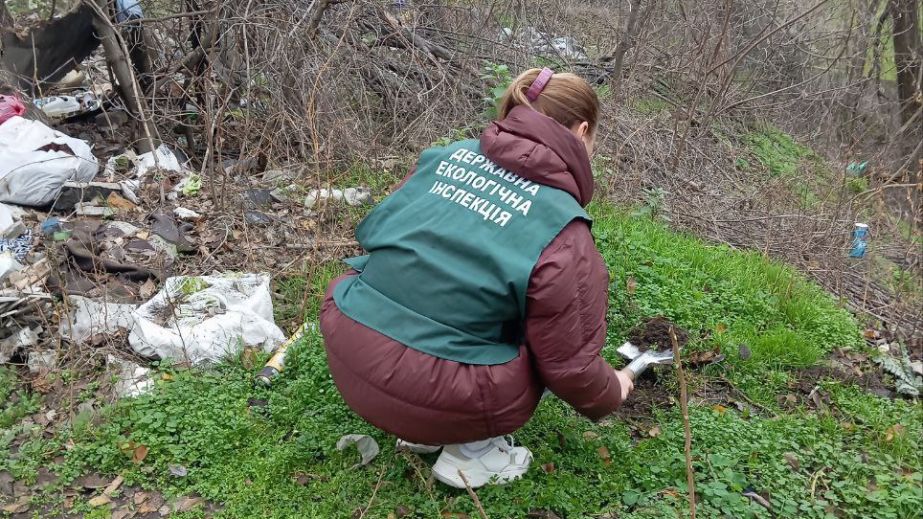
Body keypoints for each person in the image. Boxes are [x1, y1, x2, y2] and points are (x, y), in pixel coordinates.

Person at [320, 68, 635, 489]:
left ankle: (419, 431)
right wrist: (614, 388)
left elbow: (380, 233)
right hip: (440, 389)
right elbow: (570, 367)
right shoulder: (564, 231)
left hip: (350, 346)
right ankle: (472, 454)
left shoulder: (444, 157)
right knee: (544, 340)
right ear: (581, 132)